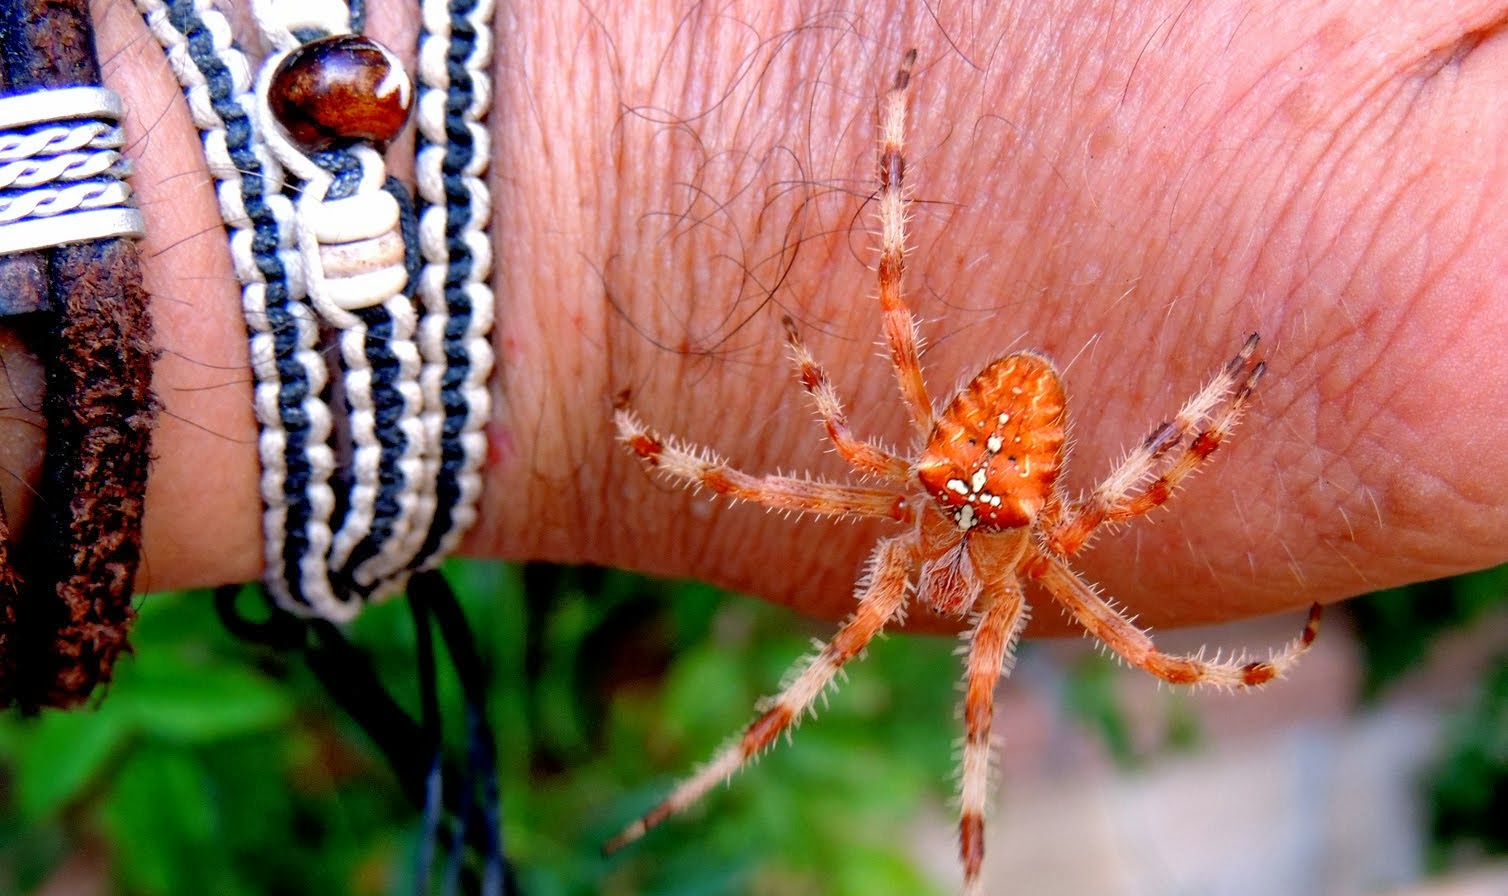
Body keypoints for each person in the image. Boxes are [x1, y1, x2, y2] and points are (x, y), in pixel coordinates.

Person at [47, 0, 1508, 631]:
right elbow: (809, 421)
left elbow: (1144, 504)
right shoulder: (961, 516)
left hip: (986, 466)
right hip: (985, 458)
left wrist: (1224, 412)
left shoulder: (957, 524)